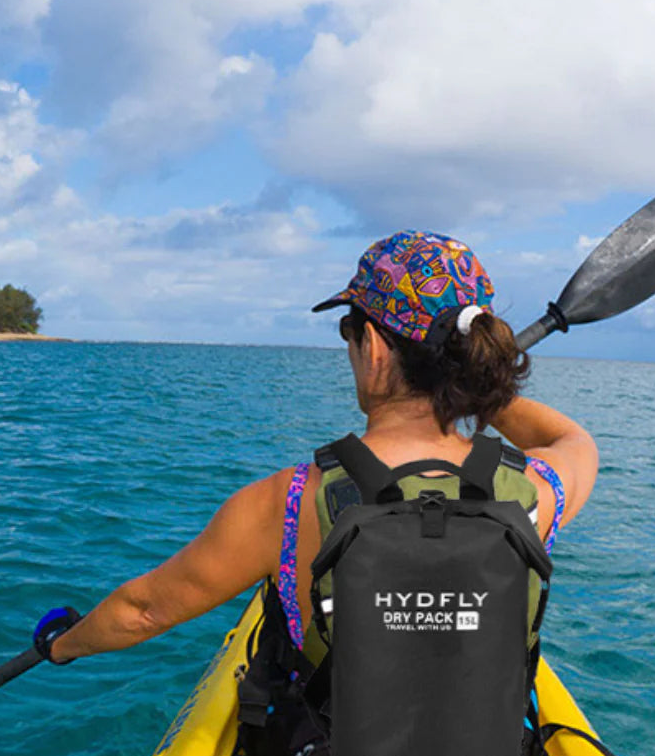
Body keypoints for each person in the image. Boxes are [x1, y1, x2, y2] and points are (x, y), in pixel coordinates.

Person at [34, 231, 598, 666]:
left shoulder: (289, 500)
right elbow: (573, 441)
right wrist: (480, 389)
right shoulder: (535, 491)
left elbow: (143, 611)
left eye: (348, 333)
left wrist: (64, 645)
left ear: (372, 346)